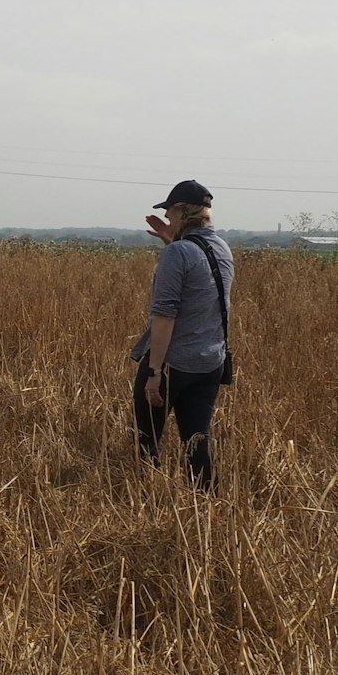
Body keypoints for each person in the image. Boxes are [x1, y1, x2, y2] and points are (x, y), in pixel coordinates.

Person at [130, 180, 233, 488]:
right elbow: (199, 288)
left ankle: (152, 503)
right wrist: (171, 242)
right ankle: (208, 509)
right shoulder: (222, 248)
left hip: (175, 363)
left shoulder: (178, 254)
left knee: (148, 442)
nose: (168, 219)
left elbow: (165, 316)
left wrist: (154, 371)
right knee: (198, 440)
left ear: (179, 211)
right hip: (210, 363)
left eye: (170, 212)